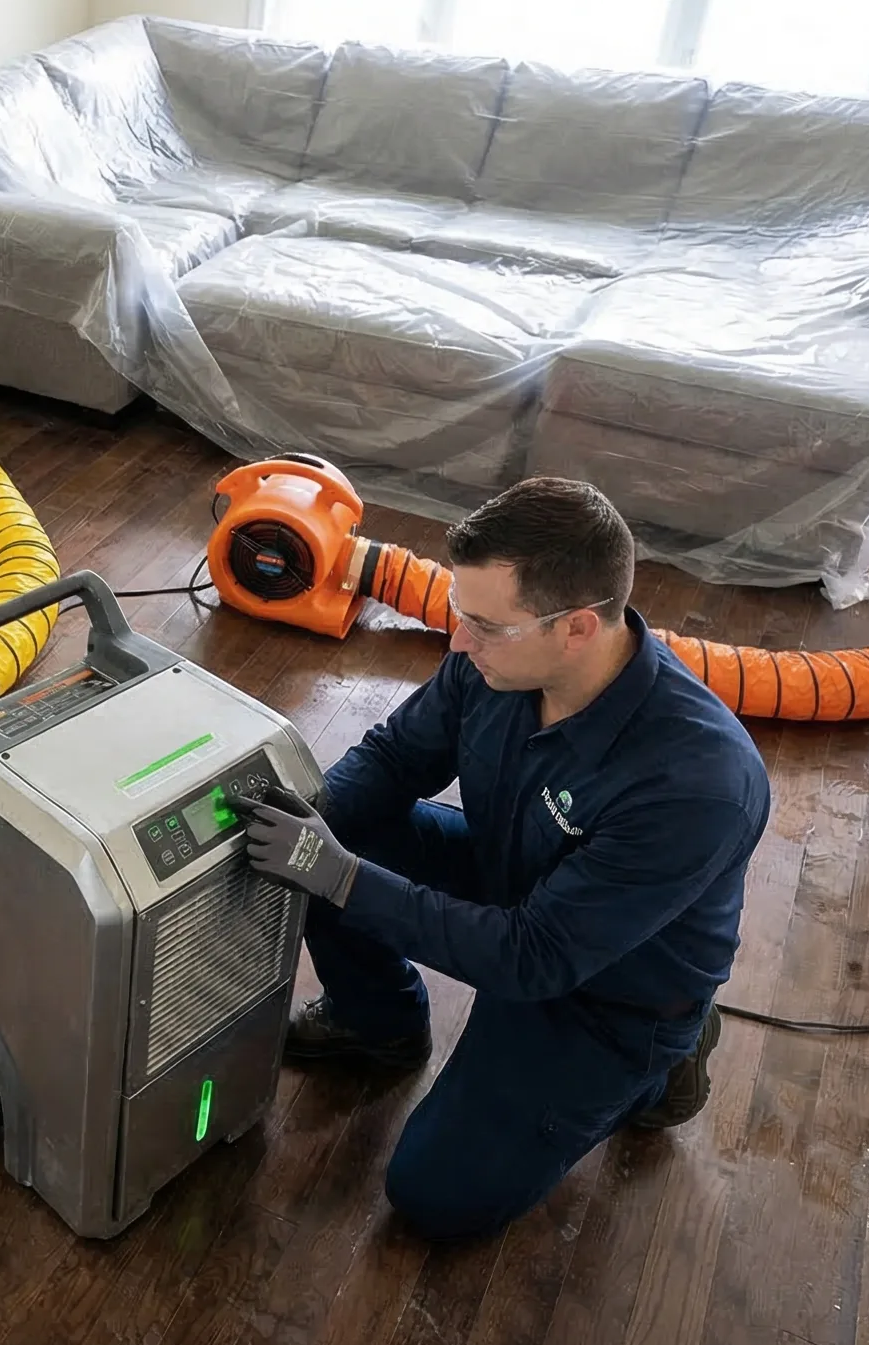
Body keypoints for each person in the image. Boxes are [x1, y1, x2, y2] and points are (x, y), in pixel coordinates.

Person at [232, 477, 769, 1241]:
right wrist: (312, 825)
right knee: (333, 830)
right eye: (460, 614)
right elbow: (394, 758)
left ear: (578, 628)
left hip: (608, 993)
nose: (457, 640)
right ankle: (376, 1024)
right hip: (511, 878)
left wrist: (339, 875)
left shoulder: (696, 786)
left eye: (484, 624)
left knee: (434, 1194)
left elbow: (533, 958)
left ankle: (662, 1070)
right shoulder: (497, 662)